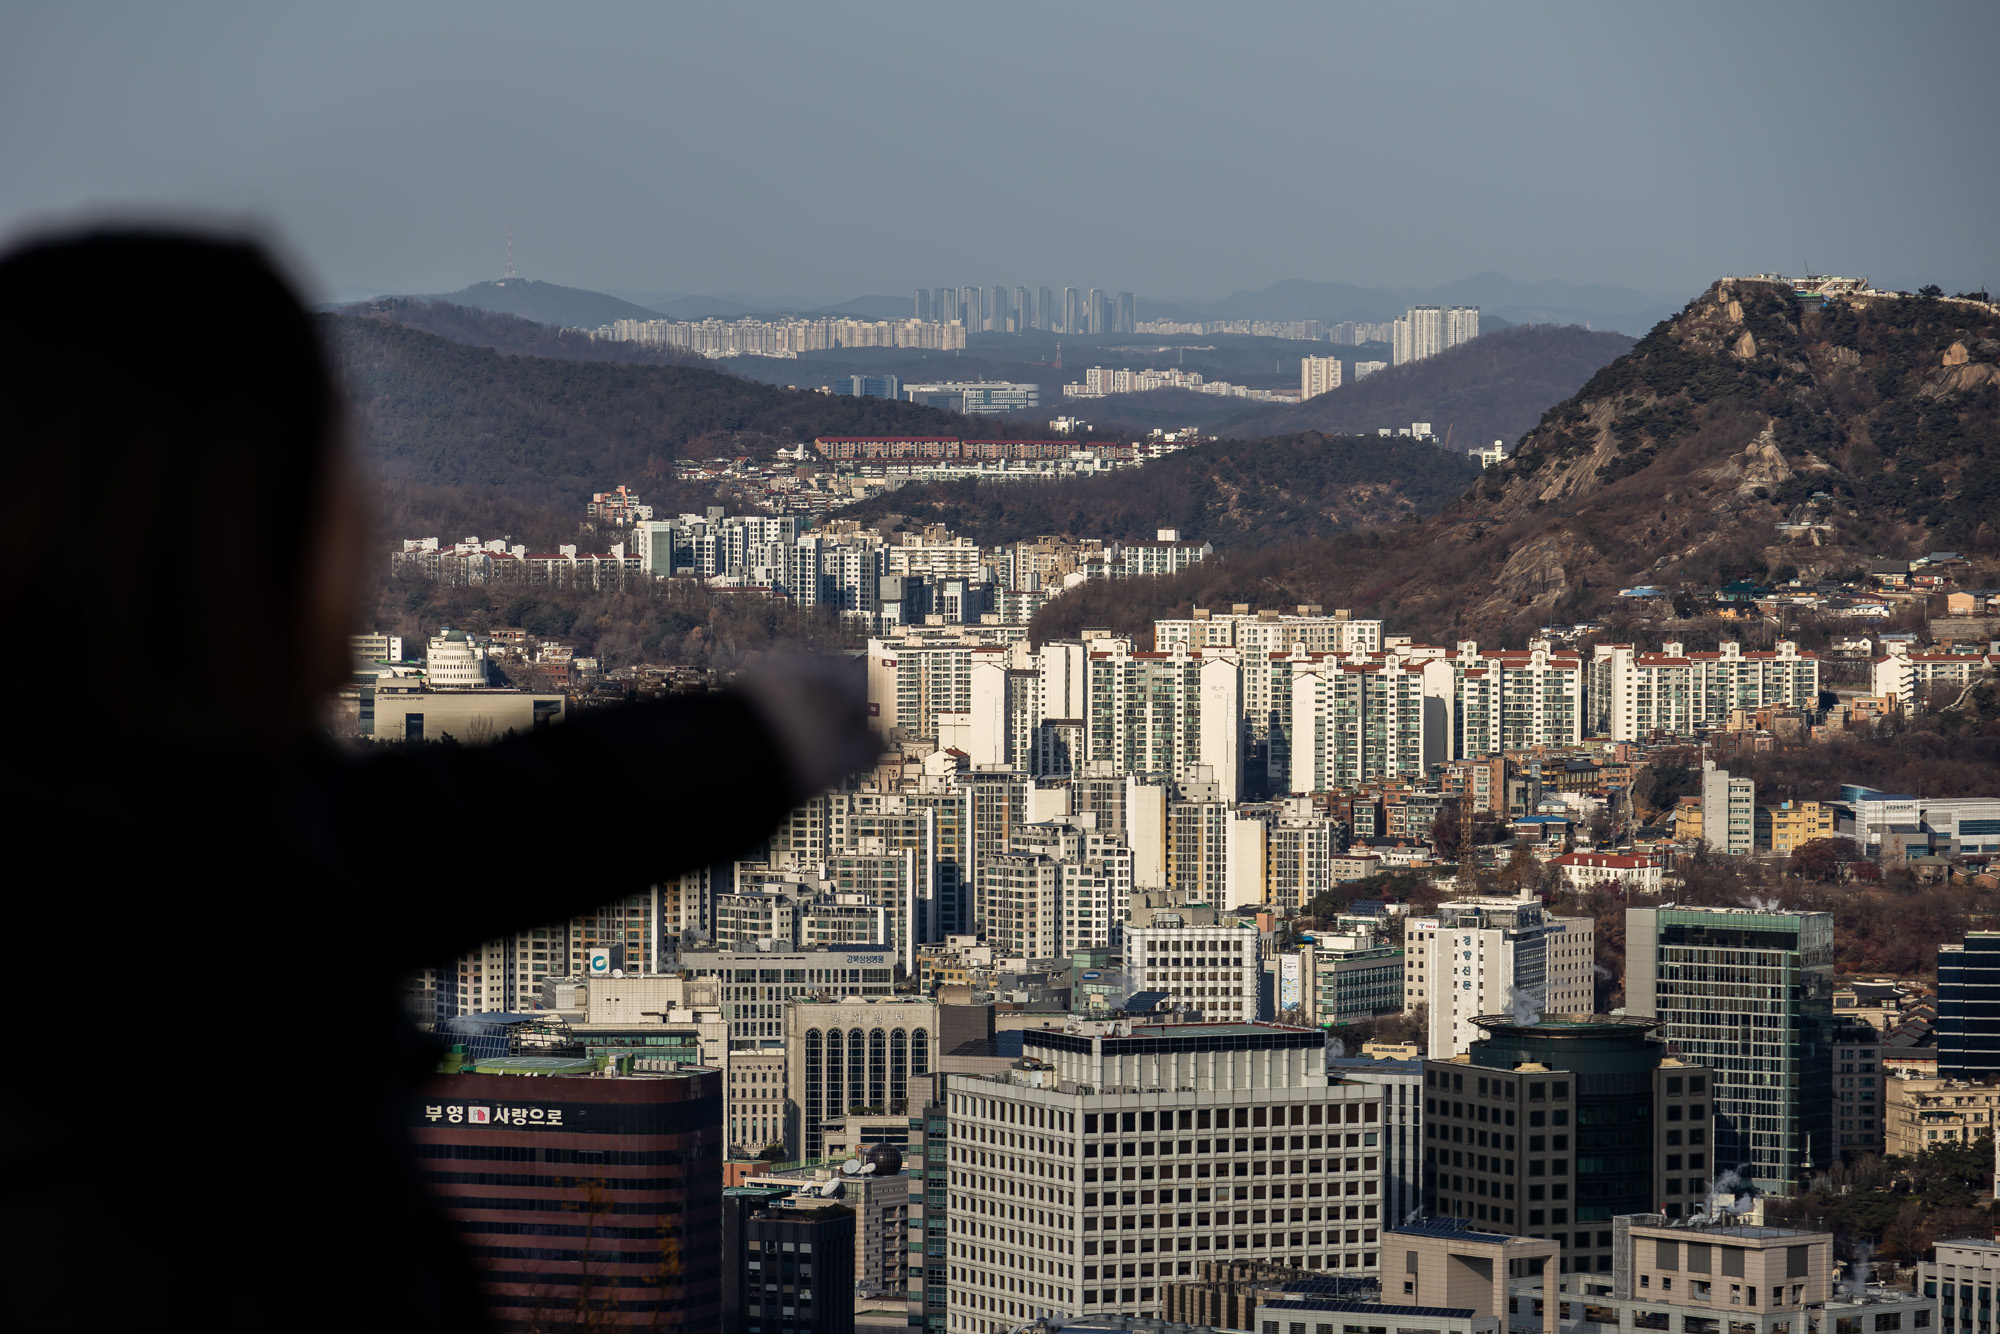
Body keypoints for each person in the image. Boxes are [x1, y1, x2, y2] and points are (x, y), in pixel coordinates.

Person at [0, 230, 878, 1331]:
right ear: (229, 540)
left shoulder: (164, 847)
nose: (369, 521)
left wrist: (749, 741)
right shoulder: (179, 1134)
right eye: (332, 473)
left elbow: (482, 822)